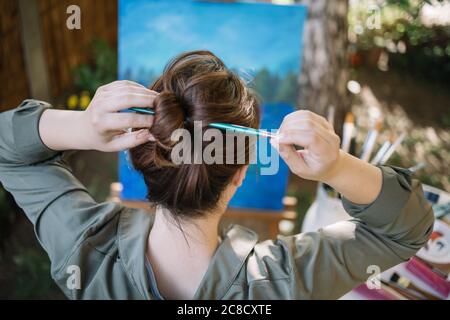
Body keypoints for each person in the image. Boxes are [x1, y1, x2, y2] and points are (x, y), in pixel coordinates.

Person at [0, 51, 433, 300]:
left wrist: (82, 127)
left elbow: (10, 152)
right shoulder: (284, 283)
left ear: (140, 155)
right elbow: (403, 230)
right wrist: (339, 166)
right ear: (241, 173)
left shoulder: (86, 252)